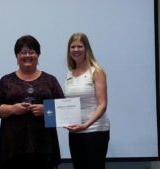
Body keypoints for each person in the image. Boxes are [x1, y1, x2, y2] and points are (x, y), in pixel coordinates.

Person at [0, 35, 64, 169]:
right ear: (16, 56)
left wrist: (46, 110)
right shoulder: (6, 80)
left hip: (44, 147)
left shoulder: (50, 80)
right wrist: (12, 109)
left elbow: (64, 110)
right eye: (23, 52)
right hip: (12, 148)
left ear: (38, 55)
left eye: (32, 52)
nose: (27, 55)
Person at [64, 32, 110, 169]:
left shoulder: (96, 71)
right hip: (75, 131)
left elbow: (102, 105)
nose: (76, 50)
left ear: (87, 49)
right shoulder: (69, 74)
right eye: (72, 47)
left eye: (79, 46)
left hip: (95, 130)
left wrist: (86, 125)